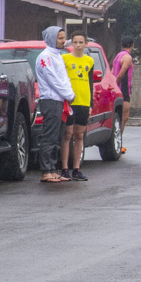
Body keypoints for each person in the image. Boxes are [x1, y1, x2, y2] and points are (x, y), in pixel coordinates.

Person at [36, 26, 75, 183]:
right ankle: (46, 170)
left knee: (58, 136)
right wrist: (69, 94)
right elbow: (54, 80)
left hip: (60, 100)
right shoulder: (45, 57)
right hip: (51, 100)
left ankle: (52, 169)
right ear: (52, 39)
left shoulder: (58, 55)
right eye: (60, 38)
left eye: (63, 38)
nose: (63, 41)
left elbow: (64, 78)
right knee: (49, 136)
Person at [60, 32, 93, 181]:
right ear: (71, 44)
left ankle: (77, 168)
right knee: (67, 134)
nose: (78, 45)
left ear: (86, 44)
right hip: (69, 101)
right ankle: (65, 168)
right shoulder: (65, 59)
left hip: (84, 101)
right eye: (76, 42)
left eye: (81, 42)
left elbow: (90, 82)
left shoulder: (89, 61)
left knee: (79, 135)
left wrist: (91, 104)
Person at [111, 35, 133, 154]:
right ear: (133, 45)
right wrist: (116, 85)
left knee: (120, 117)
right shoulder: (127, 57)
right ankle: (117, 142)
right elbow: (121, 74)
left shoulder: (117, 56)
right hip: (123, 90)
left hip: (118, 90)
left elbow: (112, 71)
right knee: (124, 117)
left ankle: (117, 141)